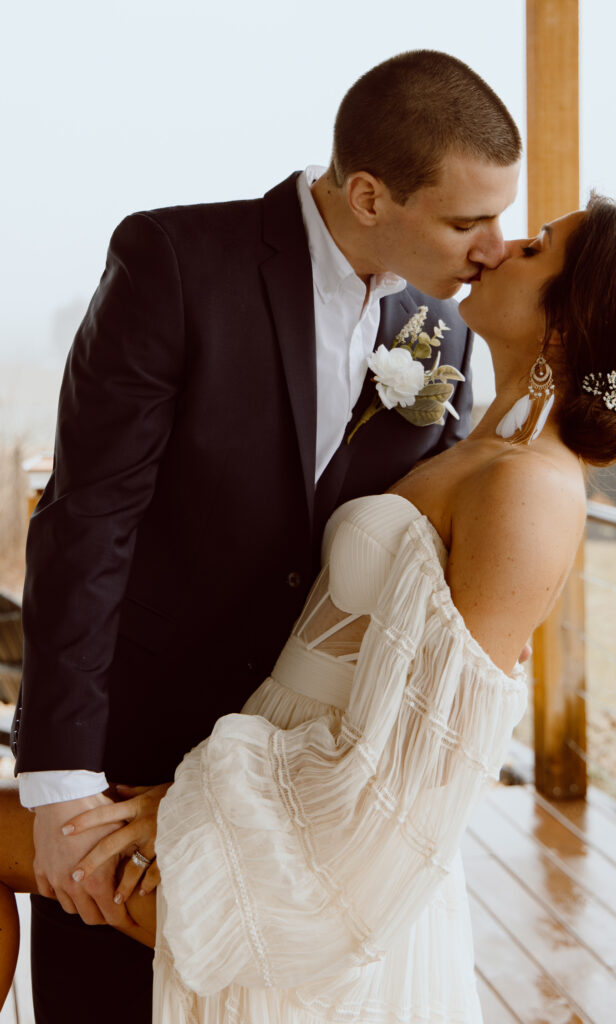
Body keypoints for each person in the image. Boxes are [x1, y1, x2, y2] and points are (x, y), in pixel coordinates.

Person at [3, 195, 616, 1022]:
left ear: (564, 325)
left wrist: (194, 806)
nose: (502, 248)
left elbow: (425, 767)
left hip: (315, 855)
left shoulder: (530, 488)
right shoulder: (483, 447)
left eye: (536, 249)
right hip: (264, 783)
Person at [10, 51, 522, 1022]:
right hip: (132, 750)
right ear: (368, 194)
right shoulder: (173, 262)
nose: (492, 247)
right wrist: (60, 784)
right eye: (467, 220)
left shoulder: (443, 342)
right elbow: (88, 527)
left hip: (296, 802)